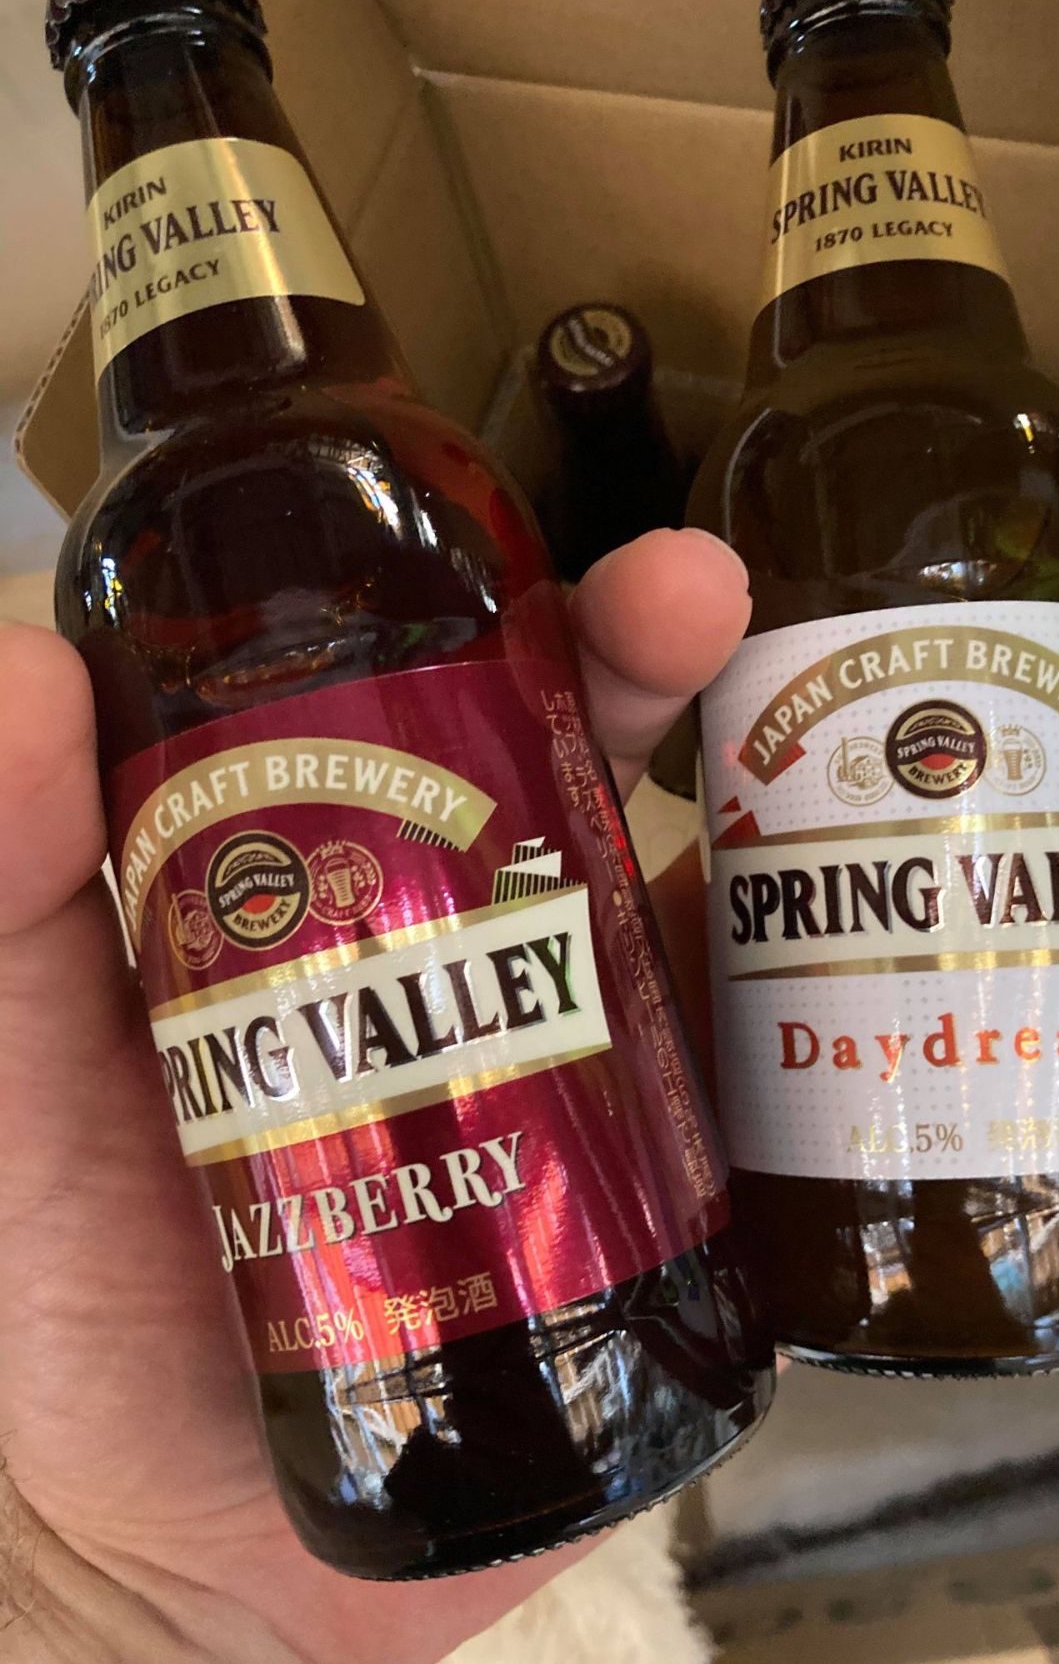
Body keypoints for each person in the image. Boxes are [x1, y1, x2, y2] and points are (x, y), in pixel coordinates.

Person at [0, 526, 750, 1662]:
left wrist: (115, 1613)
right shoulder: (141, 538)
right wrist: (95, 1605)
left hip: (615, 1317)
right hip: (331, 1409)